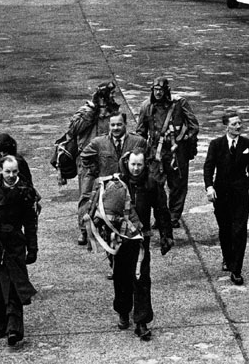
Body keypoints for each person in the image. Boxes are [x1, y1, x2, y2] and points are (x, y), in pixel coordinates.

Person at [88, 151, 173, 341]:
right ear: (127, 164)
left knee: (142, 279)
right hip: (118, 239)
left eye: (139, 165)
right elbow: (103, 207)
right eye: (133, 164)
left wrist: (167, 236)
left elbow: (161, 210)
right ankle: (123, 311)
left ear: (145, 165)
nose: (136, 169)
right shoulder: (117, 183)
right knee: (121, 276)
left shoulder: (151, 184)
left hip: (141, 239)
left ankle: (141, 321)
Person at [0, 156, 40, 346]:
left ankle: (15, 329)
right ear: (0, 171)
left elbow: (30, 223)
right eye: (8, 171)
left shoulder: (26, 192)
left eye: (15, 171)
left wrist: (32, 248)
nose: (12, 175)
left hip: (15, 245)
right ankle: (0, 323)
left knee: (14, 286)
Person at [79, 113, 147, 277]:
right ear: (109, 126)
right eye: (113, 125)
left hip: (130, 191)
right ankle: (115, 266)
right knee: (108, 230)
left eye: (119, 124)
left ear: (125, 124)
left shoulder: (138, 141)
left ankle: (132, 265)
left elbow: (148, 160)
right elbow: (84, 156)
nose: (116, 128)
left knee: (130, 230)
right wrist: (96, 170)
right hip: (108, 194)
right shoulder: (98, 142)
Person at [136, 77, 200, 229]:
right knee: (154, 185)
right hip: (155, 152)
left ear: (166, 91)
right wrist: (139, 152)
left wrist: (184, 139)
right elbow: (141, 131)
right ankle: (160, 216)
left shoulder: (179, 104)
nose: (158, 93)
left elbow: (193, 125)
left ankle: (173, 217)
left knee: (178, 185)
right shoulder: (147, 106)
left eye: (161, 90)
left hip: (176, 152)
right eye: (155, 90)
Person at [203, 113, 249, 286]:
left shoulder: (248, 144)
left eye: (240, 123)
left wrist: (245, 185)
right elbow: (208, 167)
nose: (238, 126)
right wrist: (210, 187)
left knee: (239, 231)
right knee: (225, 229)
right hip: (222, 194)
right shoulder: (216, 144)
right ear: (226, 126)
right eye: (234, 124)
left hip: (240, 195)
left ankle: (236, 270)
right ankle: (227, 257)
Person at [64, 81, 120, 245]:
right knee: (86, 196)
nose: (113, 97)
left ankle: (105, 227)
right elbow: (72, 130)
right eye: (111, 94)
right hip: (87, 160)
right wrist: (92, 112)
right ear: (103, 96)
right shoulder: (86, 111)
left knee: (109, 194)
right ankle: (84, 230)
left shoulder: (114, 112)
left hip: (108, 159)